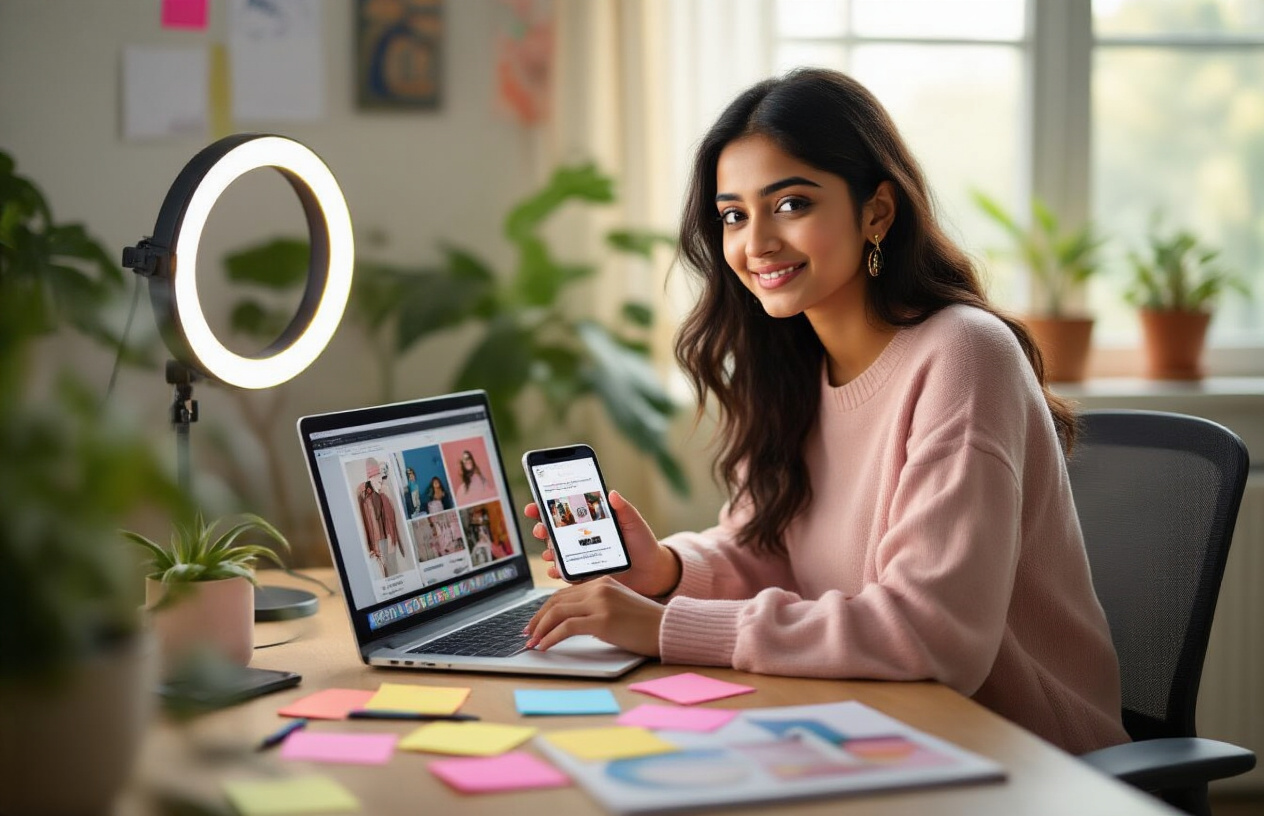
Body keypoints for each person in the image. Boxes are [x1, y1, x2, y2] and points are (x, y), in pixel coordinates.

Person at [523, 68, 1128, 756]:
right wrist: (664, 570)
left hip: (1015, 754)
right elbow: (771, 549)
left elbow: (933, 637)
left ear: (877, 211)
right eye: (734, 215)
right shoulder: (790, 363)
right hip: (869, 724)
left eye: (791, 204)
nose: (757, 245)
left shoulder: (963, 354)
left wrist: (665, 626)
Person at [358, 457, 405, 578]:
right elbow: (365, 521)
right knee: (384, 569)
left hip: (389, 535)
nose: (379, 479)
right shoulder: (364, 494)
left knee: (392, 564)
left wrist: (397, 539)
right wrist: (369, 546)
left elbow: (394, 516)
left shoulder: (385, 490)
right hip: (378, 539)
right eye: (374, 475)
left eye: (379, 474)